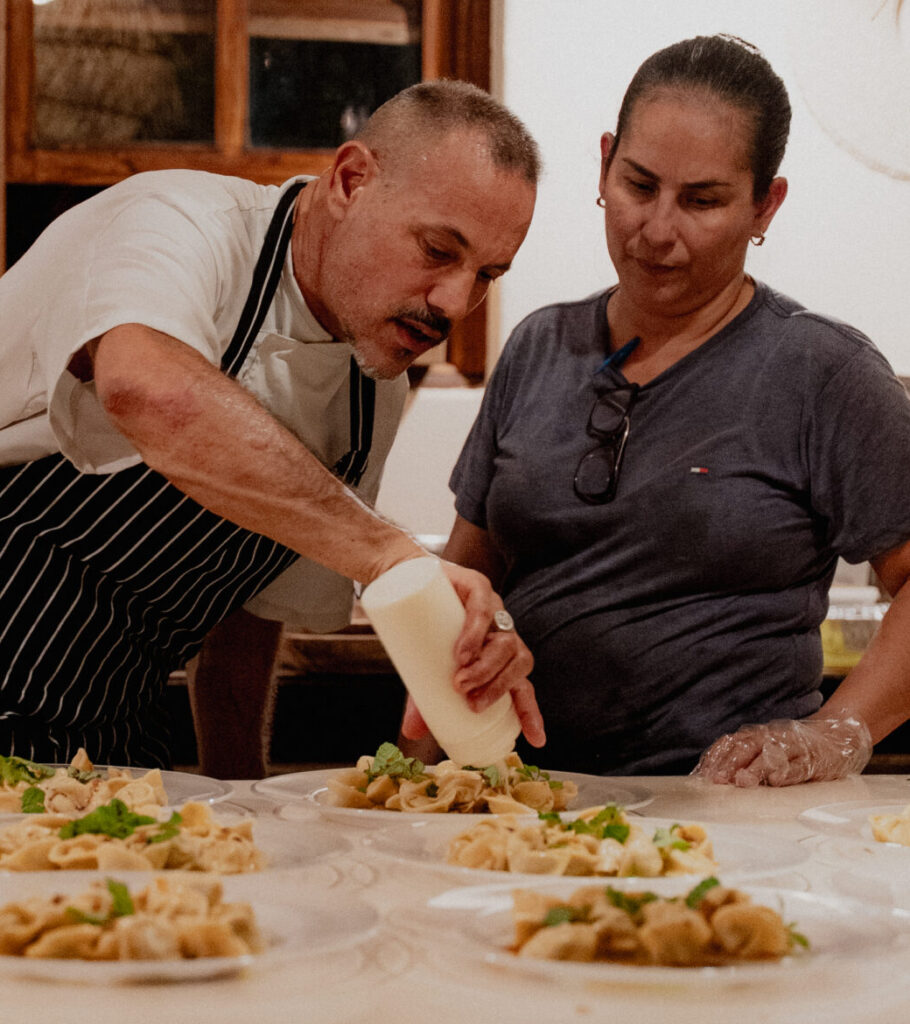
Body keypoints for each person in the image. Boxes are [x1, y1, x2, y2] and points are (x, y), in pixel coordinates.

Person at [400, 35, 910, 786]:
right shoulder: (540, 345)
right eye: (639, 185)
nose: (658, 229)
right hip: (525, 805)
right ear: (605, 163)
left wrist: (838, 731)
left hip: (734, 818)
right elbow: (466, 583)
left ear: (765, 204)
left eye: (702, 201)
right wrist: (409, 769)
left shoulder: (822, 372)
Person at [0, 79, 546, 775]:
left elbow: (246, 619)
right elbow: (146, 389)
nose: (454, 302)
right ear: (351, 180)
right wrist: (391, 555)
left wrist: (244, 799)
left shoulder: (365, 394)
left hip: (103, 748)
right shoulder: (180, 222)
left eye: (487, 275)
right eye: (439, 250)